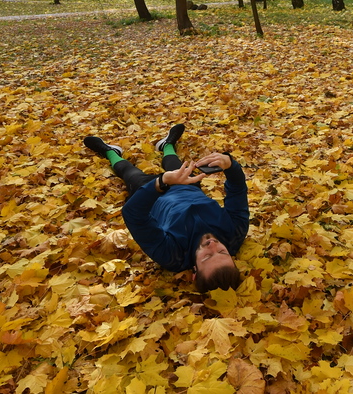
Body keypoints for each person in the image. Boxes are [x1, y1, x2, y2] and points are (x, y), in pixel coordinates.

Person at [83, 124, 248, 293]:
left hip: (153, 194)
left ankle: (110, 152)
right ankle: (167, 144)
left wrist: (161, 182)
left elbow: (133, 215)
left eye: (207, 256)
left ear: (195, 272)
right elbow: (238, 189)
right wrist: (230, 164)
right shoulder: (235, 233)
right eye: (222, 252)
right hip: (189, 186)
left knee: (129, 173)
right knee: (175, 164)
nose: (212, 245)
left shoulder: (173, 255)